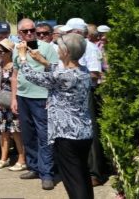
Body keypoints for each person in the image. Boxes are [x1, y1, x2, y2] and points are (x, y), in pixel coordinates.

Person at [17, 33, 93, 199]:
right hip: (83, 133)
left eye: (59, 47)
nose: (57, 49)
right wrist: (43, 61)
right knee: (81, 175)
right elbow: (59, 72)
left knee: (73, 180)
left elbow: (32, 76)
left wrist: (22, 57)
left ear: (65, 52)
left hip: (67, 135)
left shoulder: (63, 76)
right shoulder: (83, 71)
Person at [12, 18, 59, 190]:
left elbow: (55, 72)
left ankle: (47, 173)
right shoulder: (17, 50)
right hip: (23, 96)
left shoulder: (47, 48)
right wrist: (13, 98)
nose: (31, 33)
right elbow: (15, 74)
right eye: (26, 31)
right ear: (19, 34)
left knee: (44, 136)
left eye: (32, 30)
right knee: (28, 134)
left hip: (42, 97)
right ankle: (34, 167)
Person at [0, 39, 26, 170]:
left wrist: (14, 99)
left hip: (13, 103)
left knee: (16, 132)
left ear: (9, 52)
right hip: (1, 103)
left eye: (1, 51)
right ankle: (3, 158)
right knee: (3, 132)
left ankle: (22, 159)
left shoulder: (15, 66)